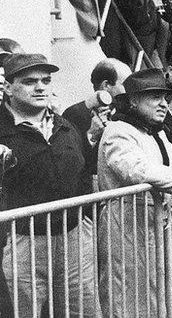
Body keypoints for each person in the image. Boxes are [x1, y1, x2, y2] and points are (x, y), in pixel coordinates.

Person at [0, 53, 100, 316]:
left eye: (46, 80)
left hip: (73, 237)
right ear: (8, 87)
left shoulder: (65, 127)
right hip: (22, 240)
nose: (41, 87)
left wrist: (85, 223)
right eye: (29, 81)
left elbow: (83, 174)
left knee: (82, 311)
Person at [96, 68, 172, 317]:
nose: (163, 104)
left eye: (165, 98)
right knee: (128, 296)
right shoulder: (118, 132)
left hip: (156, 226)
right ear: (134, 101)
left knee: (162, 293)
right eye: (155, 97)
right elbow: (140, 171)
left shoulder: (155, 133)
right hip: (125, 226)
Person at [61, 58, 132, 173]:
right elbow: (69, 162)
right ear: (106, 85)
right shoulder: (74, 114)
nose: (130, 91)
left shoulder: (126, 114)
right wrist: (91, 137)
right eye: (126, 85)